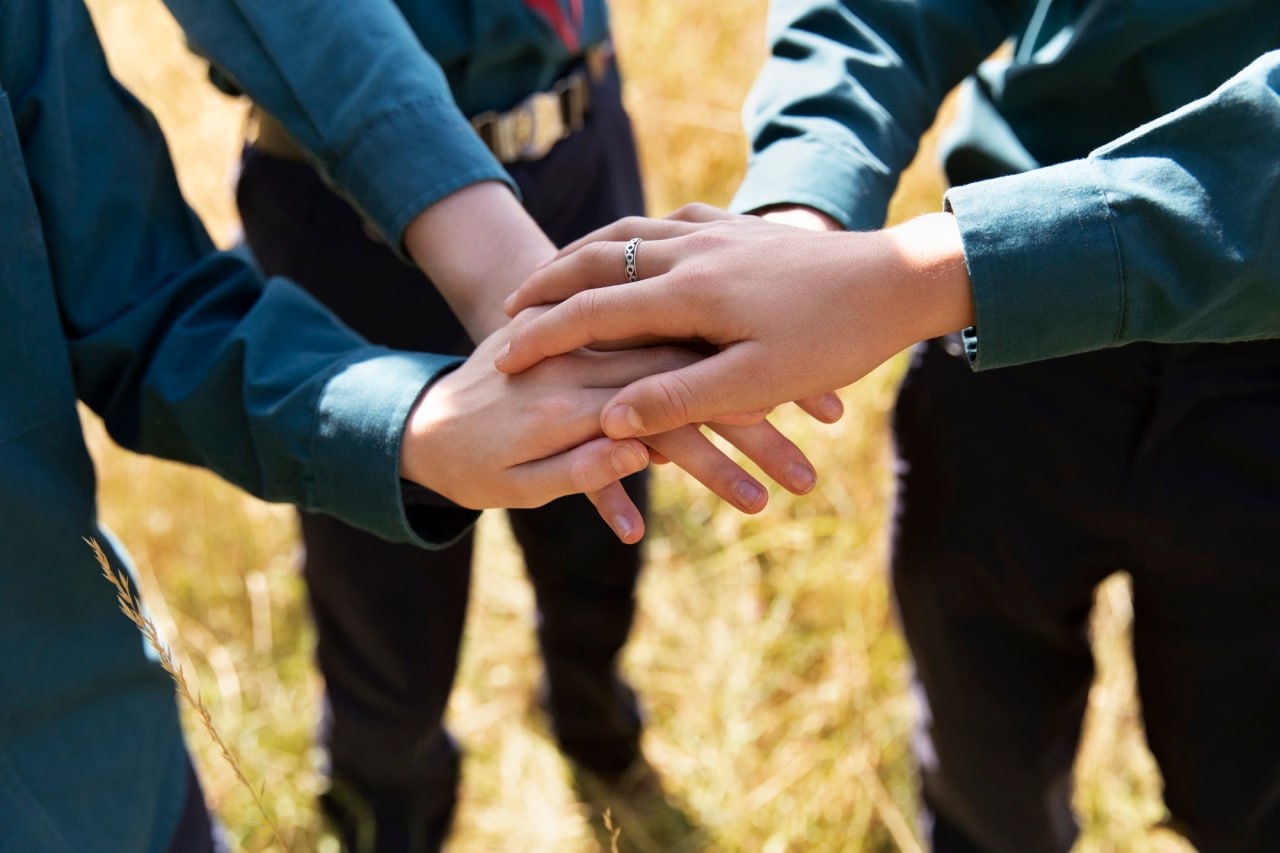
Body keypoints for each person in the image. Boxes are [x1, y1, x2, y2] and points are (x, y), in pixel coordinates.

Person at [0, 1, 816, 849]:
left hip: (578, 133)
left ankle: (593, 717)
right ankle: (391, 812)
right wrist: (466, 354)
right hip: (349, 202)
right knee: (387, 594)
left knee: (607, 514)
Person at [497, 4, 1280, 849]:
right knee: (984, 768)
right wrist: (801, 213)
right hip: (1006, 355)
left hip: (1176, 350)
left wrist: (923, 276)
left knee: (1250, 793)